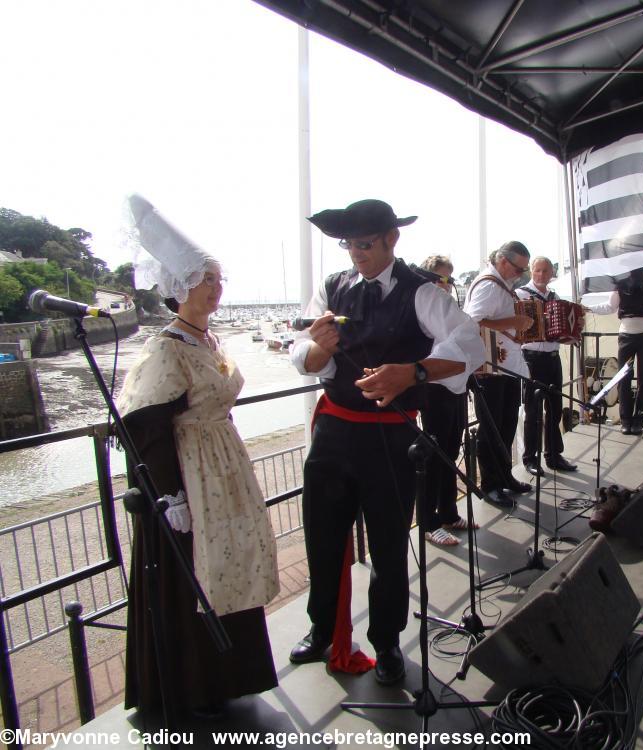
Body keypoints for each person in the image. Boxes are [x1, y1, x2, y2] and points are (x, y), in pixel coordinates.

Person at [287, 199, 484, 685]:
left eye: (365, 244)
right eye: (349, 244)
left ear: (391, 239)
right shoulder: (332, 288)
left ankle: (387, 641)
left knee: (390, 544)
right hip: (334, 430)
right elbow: (304, 359)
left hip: (392, 433)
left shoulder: (422, 292)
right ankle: (321, 627)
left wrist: (413, 372)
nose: (356, 254)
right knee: (323, 535)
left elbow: (471, 346)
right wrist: (318, 350)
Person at [118, 194, 279, 716]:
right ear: (178, 289)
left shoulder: (207, 340)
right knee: (194, 571)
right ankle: (192, 686)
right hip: (189, 477)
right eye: (205, 280)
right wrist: (168, 496)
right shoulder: (164, 349)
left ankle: (231, 676)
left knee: (231, 565)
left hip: (221, 467)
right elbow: (146, 427)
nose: (215, 289)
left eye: (217, 279)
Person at [463, 241, 535, 508]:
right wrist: (513, 323)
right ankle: (490, 485)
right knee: (491, 428)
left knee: (505, 424)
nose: (520, 275)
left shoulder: (501, 286)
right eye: (518, 269)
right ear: (503, 261)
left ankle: (504, 476)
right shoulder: (488, 286)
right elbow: (472, 321)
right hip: (490, 369)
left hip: (506, 367)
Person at [415, 255, 479, 547]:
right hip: (434, 390)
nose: (446, 284)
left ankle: (449, 513)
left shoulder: (448, 311)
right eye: (441, 278)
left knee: (451, 452)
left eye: (449, 279)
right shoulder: (422, 310)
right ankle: (428, 523)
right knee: (434, 455)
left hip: (455, 388)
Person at [515, 256, 577, 477]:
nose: (541, 275)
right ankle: (530, 458)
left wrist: (571, 333)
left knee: (555, 408)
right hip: (531, 358)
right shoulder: (521, 295)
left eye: (545, 271)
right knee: (532, 410)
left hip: (552, 357)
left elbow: (561, 329)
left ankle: (553, 455)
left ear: (552, 273)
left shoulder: (555, 297)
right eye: (537, 271)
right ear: (531, 271)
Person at [589, 268, 643, 435]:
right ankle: (625, 420)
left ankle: (639, 420)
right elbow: (610, 306)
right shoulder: (621, 282)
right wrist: (588, 308)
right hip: (626, 335)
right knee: (624, 378)